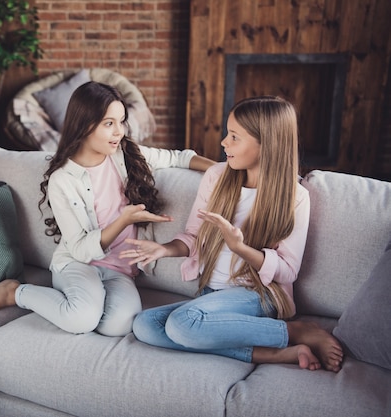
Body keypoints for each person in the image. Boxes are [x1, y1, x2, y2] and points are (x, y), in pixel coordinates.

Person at [0, 81, 214, 336]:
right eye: (109, 123)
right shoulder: (63, 180)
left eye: (121, 121)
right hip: (79, 263)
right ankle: (15, 292)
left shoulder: (126, 155)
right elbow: (81, 250)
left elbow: (178, 157)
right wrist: (123, 221)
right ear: (84, 125)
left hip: (120, 271)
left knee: (118, 326)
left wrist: (221, 170)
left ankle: (81, 302)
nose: (119, 132)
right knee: (82, 320)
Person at [121, 96, 344, 372]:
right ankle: (277, 353)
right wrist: (164, 249)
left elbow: (288, 271)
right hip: (209, 293)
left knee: (182, 324)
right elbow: (193, 236)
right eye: (228, 134)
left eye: (235, 137)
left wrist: (240, 248)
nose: (224, 142)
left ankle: (294, 332)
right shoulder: (216, 177)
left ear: (267, 144)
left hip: (257, 295)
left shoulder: (295, 197)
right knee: (145, 325)